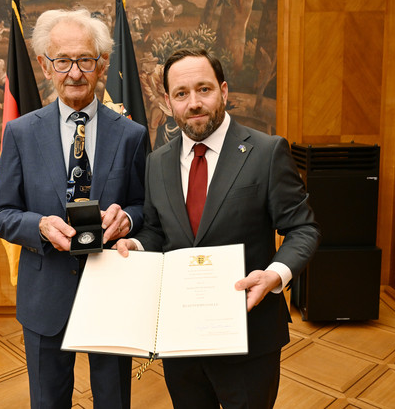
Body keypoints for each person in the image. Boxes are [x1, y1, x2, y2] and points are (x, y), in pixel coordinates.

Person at [116, 48, 320, 408]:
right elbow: (157, 233)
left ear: (224, 91)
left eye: (204, 89)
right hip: (180, 340)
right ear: (168, 102)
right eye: (181, 94)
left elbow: (303, 229)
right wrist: (138, 247)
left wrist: (275, 276)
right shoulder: (156, 162)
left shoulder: (266, 152)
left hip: (248, 336)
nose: (194, 102)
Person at [0, 9, 147, 409]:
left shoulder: (132, 135)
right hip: (45, 297)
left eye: (85, 60)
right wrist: (39, 226)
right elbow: (1, 213)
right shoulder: (21, 133)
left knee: (114, 401)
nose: (74, 73)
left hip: (111, 292)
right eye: (62, 61)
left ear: (102, 65)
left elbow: (147, 206)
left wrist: (128, 218)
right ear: (45, 66)